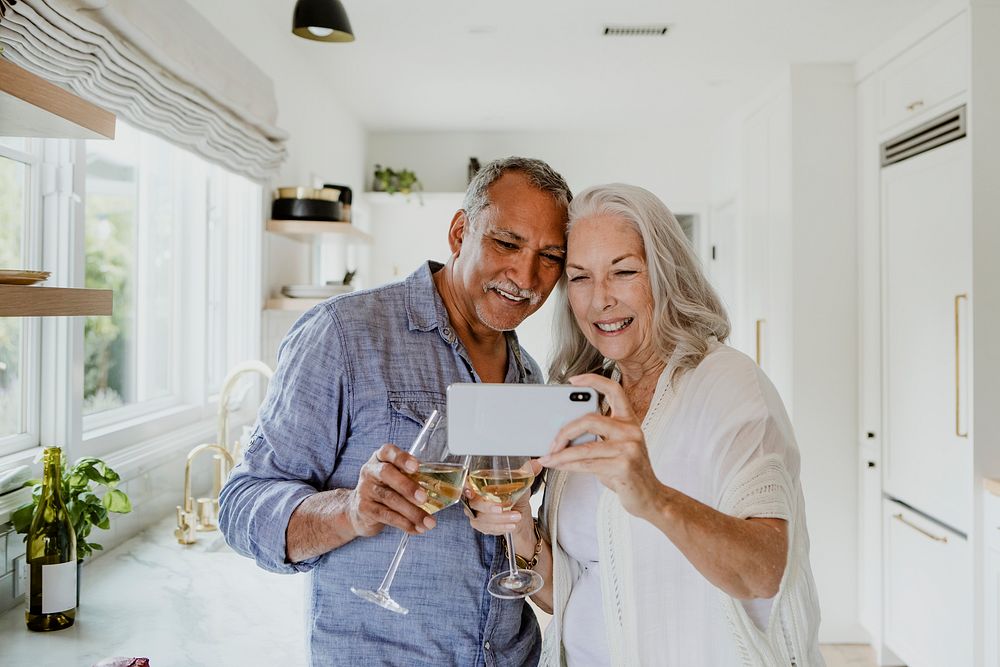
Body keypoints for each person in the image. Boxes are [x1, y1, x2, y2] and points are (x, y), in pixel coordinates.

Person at [218, 157, 573, 666]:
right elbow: (241, 506)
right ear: (459, 232)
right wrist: (350, 511)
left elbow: (515, 534)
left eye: (550, 256)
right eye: (507, 243)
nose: (525, 275)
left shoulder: (529, 376)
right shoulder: (343, 333)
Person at [467, 184, 824, 666]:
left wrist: (653, 497)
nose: (600, 301)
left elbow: (764, 573)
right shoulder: (586, 399)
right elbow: (571, 592)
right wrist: (522, 533)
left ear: (665, 275)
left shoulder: (725, 382)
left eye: (624, 272)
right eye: (580, 277)